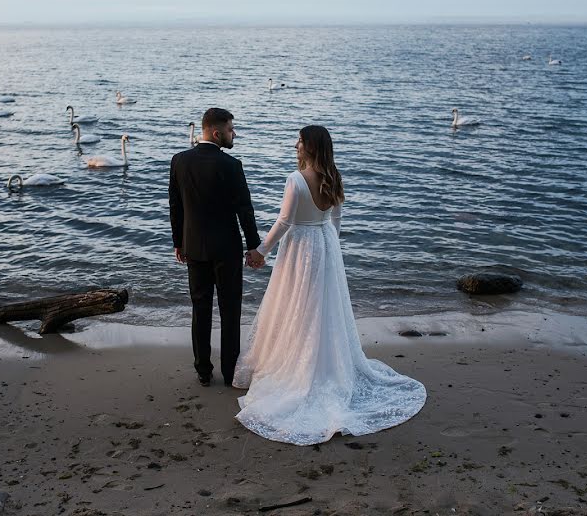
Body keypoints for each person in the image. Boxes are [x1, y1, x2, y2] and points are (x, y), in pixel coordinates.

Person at [233, 125, 426, 445]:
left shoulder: (295, 180)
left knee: (297, 304)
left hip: (300, 247)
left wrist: (261, 251)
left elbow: (284, 221)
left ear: (308, 147)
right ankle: (325, 362)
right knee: (322, 308)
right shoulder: (334, 177)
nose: (296, 145)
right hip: (324, 245)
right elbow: (336, 223)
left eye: (299, 141)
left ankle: (298, 365)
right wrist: (330, 254)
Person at [169, 108, 263, 387]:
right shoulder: (232, 165)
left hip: (194, 247)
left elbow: (176, 206)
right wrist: (254, 245)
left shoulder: (180, 161)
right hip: (227, 249)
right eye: (231, 129)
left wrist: (178, 242)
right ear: (216, 132)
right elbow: (245, 210)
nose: (234, 134)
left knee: (200, 309)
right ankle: (230, 370)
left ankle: (203, 370)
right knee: (230, 309)